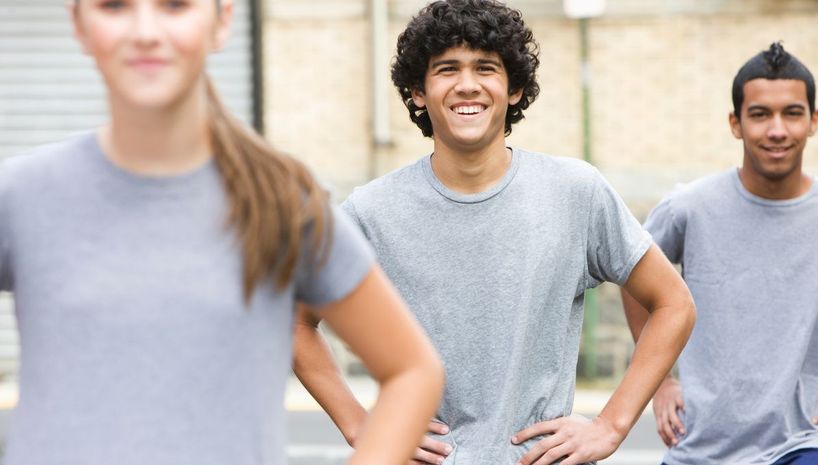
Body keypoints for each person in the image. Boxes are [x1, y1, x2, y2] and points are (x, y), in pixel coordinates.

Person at [0, 1, 445, 464]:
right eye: (115, 6)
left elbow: (412, 370)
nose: (146, 31)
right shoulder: (22, 194)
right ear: (79, 25)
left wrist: (367, 436)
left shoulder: (282, 203)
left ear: (222, 22)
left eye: (175, 6)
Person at [292, 1, 696, 464]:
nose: (467, 84)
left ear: (515, 89)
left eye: (486, 68)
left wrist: (611, 425)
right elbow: (295, 321)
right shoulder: (371, 211)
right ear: (418, 92)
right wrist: (360, 425)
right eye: (446, 69)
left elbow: (674, 304)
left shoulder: (574, 192)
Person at [622, 42, 818, 465]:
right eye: (759, 114)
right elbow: (631, 277)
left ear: (813, 121)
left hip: (806, 441)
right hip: (701, 447)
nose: (777, 130)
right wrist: (661, 382)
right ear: (735, 123)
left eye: (792, 113)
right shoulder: (689, 208)